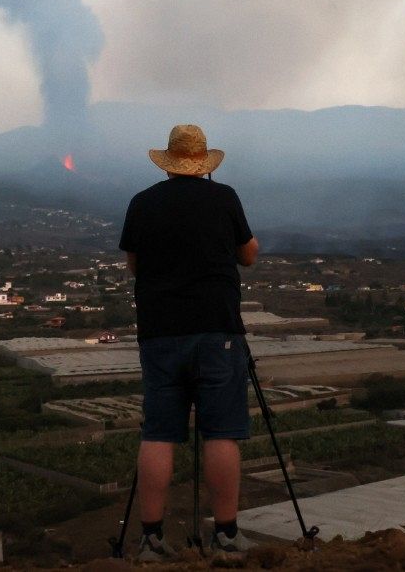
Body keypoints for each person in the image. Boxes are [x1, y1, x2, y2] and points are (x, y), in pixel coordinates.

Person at [119, 124, 261, 562]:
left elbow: (133, 265)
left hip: (160, 332)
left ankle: (150, 540)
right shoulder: (224, 197)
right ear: (203, 163)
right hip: (217, 330)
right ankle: (226, 535)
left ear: (168, 161)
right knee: (221, 432)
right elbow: (249, 254)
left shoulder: (142, 203)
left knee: (159, 433)